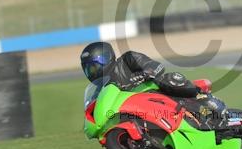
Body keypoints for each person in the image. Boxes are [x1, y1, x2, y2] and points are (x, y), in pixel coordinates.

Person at [80, 42, 226, 128]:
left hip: (157, 92)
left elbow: (156, 66)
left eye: (94, 66)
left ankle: (203, 97)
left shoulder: (128, 59)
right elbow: (95, 107)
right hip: (140, 110)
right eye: (87, 69)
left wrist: (144, 74)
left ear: (106, 59)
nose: (92, 72)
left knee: (168, 80)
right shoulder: (100, 90)